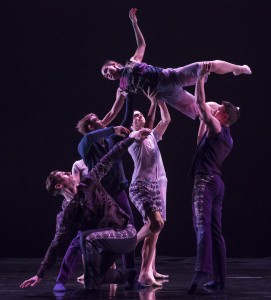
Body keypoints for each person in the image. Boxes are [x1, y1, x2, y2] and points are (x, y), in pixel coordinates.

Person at [20, 130, 150, 291]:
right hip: (104, 244)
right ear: (59, 186)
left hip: (124, 233)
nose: (69, 172)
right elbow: (55, 245)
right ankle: (129, 275)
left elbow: (109, 157)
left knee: (86, 237)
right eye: (64, 174)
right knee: (95, 276)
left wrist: (131, 138)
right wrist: (40, 274)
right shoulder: (65, 215)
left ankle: (90, 293)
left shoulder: (90, 182)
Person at [101, 8, 251, 125]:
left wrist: (134, 24)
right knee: (200, 109)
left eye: (106, 70)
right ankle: (224, 113)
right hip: (163, 93)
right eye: (105, 76)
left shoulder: (132, 62)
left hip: (167, 76)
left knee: (204, 66)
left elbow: (142, 44)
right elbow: (113, 112)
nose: (106, 74)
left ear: (114, 64)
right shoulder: (121, 88)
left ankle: (238, 68)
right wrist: (99, 126)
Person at [52, 94, 135, 292]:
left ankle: (130, 276)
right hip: (100, 199)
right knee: (78, 241)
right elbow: (90, 137)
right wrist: (112, 128)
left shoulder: (109, 140)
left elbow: (124, 123)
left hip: (118, 193)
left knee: (128, 230)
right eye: (96, 120)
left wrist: (129, 96)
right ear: (91, 126)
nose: (102, 120)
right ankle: (61, 280)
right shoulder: (86, 146)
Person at [187, 63, 240, 294]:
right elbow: (200, 135)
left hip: (206, 182)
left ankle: (201, 272)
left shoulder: (218, 127)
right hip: (217, 184)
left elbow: (200, 104)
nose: (215, 108)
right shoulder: (227, 137)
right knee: (216, 232)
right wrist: (203, 115)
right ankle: (219, 281)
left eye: (219, 108)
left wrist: (200, 77)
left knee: (202, 226)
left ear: (224, 116)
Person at [128, 100, 171, 287]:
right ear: (131, 124)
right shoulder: (133, 135)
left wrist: (159, 101)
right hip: (139, 186)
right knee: (156, 223)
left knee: (155, 230)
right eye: (135, 116)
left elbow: (167, 119)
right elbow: (145, 130)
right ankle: (129, 243)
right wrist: (152, 104)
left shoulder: (153, 136)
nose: (139, 116)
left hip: (154, 187)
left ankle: (146, 273)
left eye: (140, 114)